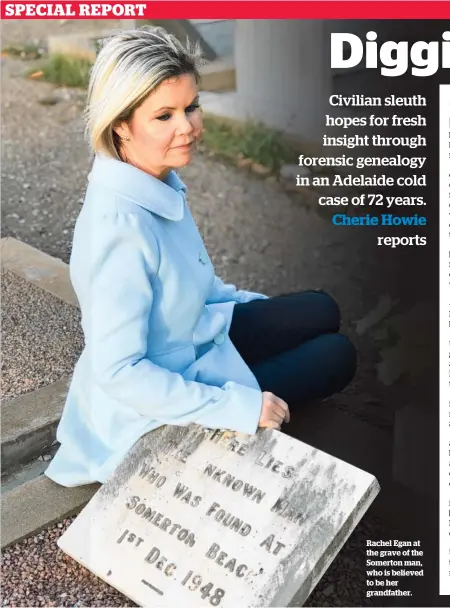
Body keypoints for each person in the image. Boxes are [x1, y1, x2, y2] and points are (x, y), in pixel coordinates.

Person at [44, 27, 356, 488]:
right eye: (163, 115)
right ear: (120, 125)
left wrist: (264, 316)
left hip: (197, 337)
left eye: (191, 106)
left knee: (321, 308)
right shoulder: (119, 228)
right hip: (159, 398)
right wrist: (240, 407)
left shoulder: (154, 179)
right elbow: (119, 371)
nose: (187, 127)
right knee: (338, 356)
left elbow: (200, 287)